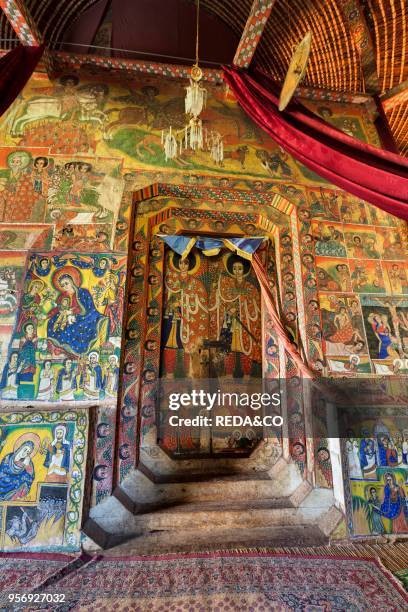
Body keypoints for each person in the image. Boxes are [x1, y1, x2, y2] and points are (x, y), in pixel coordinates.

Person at [47, 268, 106, 355]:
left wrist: (73, 312)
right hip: (65, 316)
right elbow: (58, 308)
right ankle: (62, 349)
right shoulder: (62, 296)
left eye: (66, 283)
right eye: (62, 285)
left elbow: (88, 307)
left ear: (72, 281)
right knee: (52, 322)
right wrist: (48, 315)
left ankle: (76, 352)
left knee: (77, 326)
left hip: (84, 315)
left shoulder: (83, 292)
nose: (65, 286)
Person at [0, 435, 39, 500]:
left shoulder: (28, 462)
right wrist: (10, 478)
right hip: (3, 482)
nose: (25, 453)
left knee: (22, 485)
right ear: (21, 447)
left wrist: (27, 466)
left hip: (16, 488)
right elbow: (2, 470)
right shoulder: (9, 457)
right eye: (25, 449)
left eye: (28, 452)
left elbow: (30, 478)